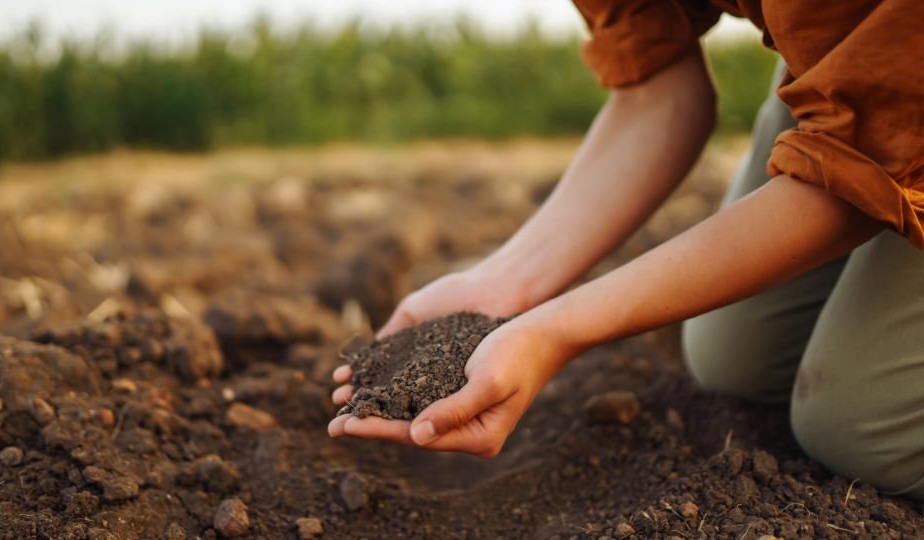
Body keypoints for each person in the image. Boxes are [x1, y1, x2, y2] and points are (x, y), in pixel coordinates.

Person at [329, 0, 924, 499]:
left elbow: (859, 165)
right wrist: (505, 286)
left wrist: (554, 332)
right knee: (733, 359)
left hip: (901, 71)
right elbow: (655, 91)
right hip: (850, 74)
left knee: (861, 430)